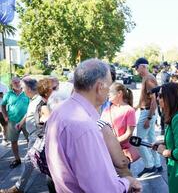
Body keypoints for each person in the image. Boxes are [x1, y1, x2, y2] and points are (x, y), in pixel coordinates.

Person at [45, 59, 141, 192]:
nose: (109, 92)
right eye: (108, 86)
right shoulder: (85, 126)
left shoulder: (59, 111)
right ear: (99, 87)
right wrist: (127, 183)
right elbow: (101, 188)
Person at [0, 78, 42, 193]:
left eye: (23, 87)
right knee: (31, 161)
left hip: (37, 137)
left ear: (28, 88)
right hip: (32, 134)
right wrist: (21, 122)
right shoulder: (33, 99)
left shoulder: (39, 100)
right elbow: (29, 113)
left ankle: (18, 188)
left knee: (29, 161)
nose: (22, 89)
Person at [132, 57, 162, 177]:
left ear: (143, 66)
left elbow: (155, 100)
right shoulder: (146, 78)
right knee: (151, 141)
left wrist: (149, 119)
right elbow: (145, 99)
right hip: (148, 112)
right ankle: (158, 165)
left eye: (137, 67)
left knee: (138, 141)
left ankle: (149, 166)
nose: (136, 70)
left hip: (148, 113)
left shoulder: (149, 79)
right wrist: (134, 108)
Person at [101, 82, 137, 165]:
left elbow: (128, 134)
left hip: (122, 153)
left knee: (124, 177)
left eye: (110, 92)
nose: (108, 94)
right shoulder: (107, 109)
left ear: (119, 93)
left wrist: (113, 143)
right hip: (107, 152)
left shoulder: (129, 110)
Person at [1, 77, 30, 169]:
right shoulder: (8, 94)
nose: (17, 83)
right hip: (12, 121)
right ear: (11, 84)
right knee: (13, 141)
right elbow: (3, 105)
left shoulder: (26, 92)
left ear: (21, 82)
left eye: (18, 82)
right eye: (14, 82)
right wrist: (5, 116)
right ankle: (17, 159)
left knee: (30, 140)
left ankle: (32, 158)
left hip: (26, 121)